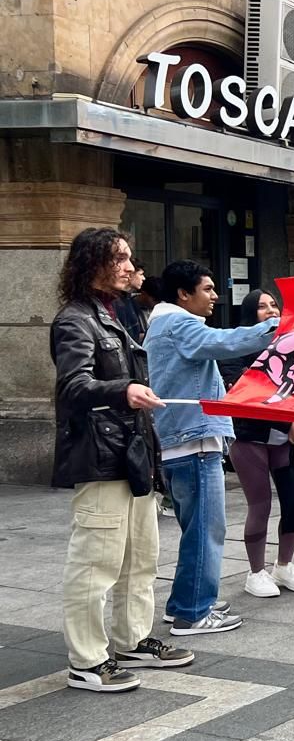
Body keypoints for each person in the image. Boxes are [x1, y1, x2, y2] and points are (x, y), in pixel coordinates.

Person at [52, 228, 193, 691]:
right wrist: (123, 390)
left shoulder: (122, 314)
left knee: (140, 558)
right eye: (122, 258)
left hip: (131, 456)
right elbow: (73, 387)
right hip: (101, 457)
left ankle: (132, 639)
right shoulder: (76, 320)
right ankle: (87, 661)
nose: (132, 266)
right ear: (95, 263)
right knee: (96, 563)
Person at [145, 260, 278, 635]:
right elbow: (226, 341)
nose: (215, 296)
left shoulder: (164, 323)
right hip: (194, 441)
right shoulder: (178, 324)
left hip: (187, 440)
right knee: (206, 530)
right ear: (183, 294)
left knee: (197, 529)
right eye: (207, 289)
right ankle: (193, 612)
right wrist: (277, 326)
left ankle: (185, 603)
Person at [220, 289, 294, 601]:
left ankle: (284, 565)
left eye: (274, 305)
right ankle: (256, 571)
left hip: (289, 437)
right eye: (262, 307)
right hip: (250, 436)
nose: (271, 310)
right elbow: (250, 392)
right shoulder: (234, 349)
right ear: (249, 314)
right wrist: (289, 421)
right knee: (260, 504)